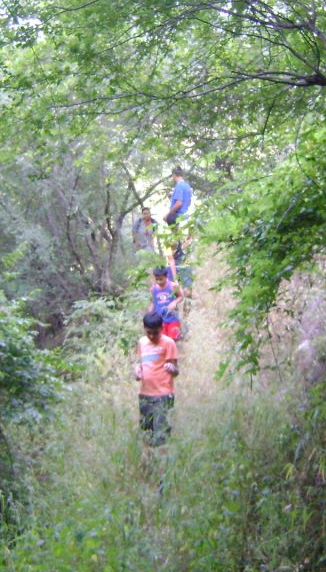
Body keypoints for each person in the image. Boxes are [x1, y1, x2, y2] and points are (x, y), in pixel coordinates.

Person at [133, 312, 179, 447]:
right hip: (145, 394)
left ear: (162, 328)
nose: (152, 336)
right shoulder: (142, 342)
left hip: (163, 395)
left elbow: (176, 371)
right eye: (149, 333)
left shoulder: (169, 343)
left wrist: (172, 368)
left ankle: (162, 463)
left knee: (161, 435)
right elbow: (141, 363)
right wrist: (137, 370)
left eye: (155, 333)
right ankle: (148, 463)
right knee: (146, 434)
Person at [164, 166, 194, 289]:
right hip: (187, 220)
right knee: (185, 252)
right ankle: (186, 287)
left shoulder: (179, 186)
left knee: (176, 250)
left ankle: (176, 282)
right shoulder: (187, 187)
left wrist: (168, 214)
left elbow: (179, 203)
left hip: (180, 220)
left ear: (174, 175)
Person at [148, 266, 183, 341]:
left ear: (166, 276)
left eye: (161, 279)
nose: (159, 282)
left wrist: (174, 302)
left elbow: (180, 297)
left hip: (173, 317)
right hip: (160, 320)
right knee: (163, 340)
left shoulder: (173, 286)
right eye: (157, 279)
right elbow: (153, 302)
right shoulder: (153, 289)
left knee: (173, 338)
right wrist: (149, 314)